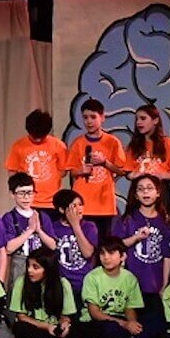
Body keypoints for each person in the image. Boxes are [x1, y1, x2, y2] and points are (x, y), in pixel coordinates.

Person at [67, 237, 147, 338]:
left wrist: (132, 324)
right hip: (97, 321)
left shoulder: (130, 278)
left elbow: (130, 308)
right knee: (109, 328)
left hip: (119, 319)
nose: (106, 257)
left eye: (111, 253)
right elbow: (94, 313)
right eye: (102, 253)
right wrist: (124, 324)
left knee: (153, 322)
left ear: (122, 256)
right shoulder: (92, 277)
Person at [67, 98, 125, 235]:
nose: (89, 121)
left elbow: (122, 171)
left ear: (102, 117)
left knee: (104, 243)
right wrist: (81, 170)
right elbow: (71, 172)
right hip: (83, 204)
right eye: (85, 117)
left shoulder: (112, 142)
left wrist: (105, 163)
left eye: (93, 117)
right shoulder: (78, 143)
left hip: (104, 204)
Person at [112, 172, 170, 302]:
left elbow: (169, 256)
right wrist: (135, 238)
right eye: (140, 189)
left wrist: (165, 285)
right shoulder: (128, 219)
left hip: (158, 284)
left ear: (158, 192)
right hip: (133, 284)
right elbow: (115, 245)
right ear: (135, 195)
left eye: (150, 188)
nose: (145, 192)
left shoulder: (165, 221)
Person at [10, 249, 75, 338]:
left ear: (48, 268)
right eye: (28, 266)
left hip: (55, 328)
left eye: (35, 267)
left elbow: (65, 316)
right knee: (19, 328)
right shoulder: (21, 282)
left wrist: (65, 323)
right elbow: (21, 316)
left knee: (80, 326)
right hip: (34, 327)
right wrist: (46, 327)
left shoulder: (63, 284)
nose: (29, 270)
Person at [4, 110, 68, 211]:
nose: (38, 140)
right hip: (27, 202)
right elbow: (12, 172)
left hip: (52, 202)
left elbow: (63, 172)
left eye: (41, 137)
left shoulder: (58, 145)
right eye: (34, 136)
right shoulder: (18, 146)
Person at [39, 189, 97, 299]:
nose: (79, 209)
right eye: (74, 205)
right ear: (62, 209)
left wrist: (75, 226)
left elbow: (88, 253)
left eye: (80, 204)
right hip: (61, 285)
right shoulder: (53, 227)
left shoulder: (89, 227)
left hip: (84, 283)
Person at [0, 174, 49, 280]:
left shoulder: (42, 216)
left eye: (30, 193)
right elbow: (8, 248)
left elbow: (53, 245)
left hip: (41, 265)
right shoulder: (9, 218)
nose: (26, 197)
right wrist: (30, 230)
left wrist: (39, 230)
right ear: (12, 194)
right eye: (21, 193)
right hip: (19, 265)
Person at [121, 102, 170, 183]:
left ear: (155, 121)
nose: (138, 122)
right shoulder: (134, 145)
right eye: (137, 119)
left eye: (143, 118)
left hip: (160, 189)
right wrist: (135, 175)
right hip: (138, 189)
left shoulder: (168, 144)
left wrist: (161, 175)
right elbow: (127, 172)